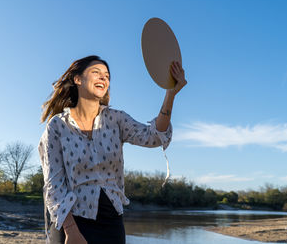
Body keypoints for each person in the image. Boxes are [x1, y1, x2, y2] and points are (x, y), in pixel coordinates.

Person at [38, 55, 187, 244]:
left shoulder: (117, 119)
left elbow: (153, 136)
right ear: (77, 79)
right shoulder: (58, 125)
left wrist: (170, 94)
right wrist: (71, 231)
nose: (103, 78)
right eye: (96, 73)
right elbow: (54, 184)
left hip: (111, 223)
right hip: (71, 221)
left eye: (107, 76)